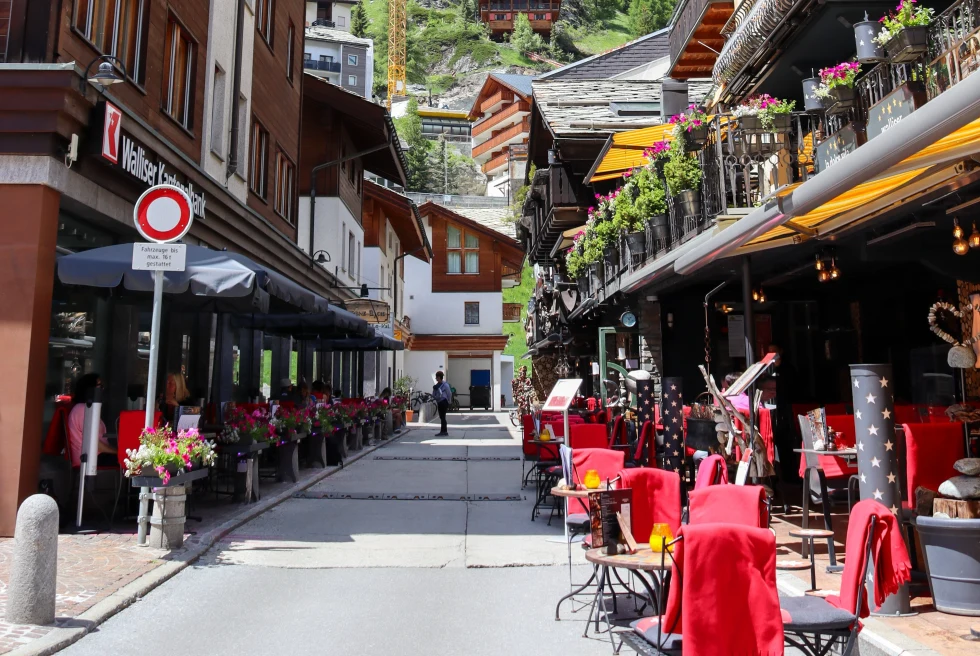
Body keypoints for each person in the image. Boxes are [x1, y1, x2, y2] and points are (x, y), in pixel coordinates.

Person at [67, 373, 116, 468]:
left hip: (97, 456)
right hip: (90, 458)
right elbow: (95, 444)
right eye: (99, 386)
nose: (102, 389)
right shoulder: (82, 410)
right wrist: (119, 452)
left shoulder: (87, 409)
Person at [432, 371, 452, 436]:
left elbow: (449, 393)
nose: (436, 378)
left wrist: (449, 401)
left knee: (443, 416)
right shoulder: (436, 386)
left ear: (439, 377)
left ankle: (444, 431)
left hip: (444, 401)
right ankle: (443, 431)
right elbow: (433, 394)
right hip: (439, 402)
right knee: (441, 416)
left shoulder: (445, 385)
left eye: (437, 377)